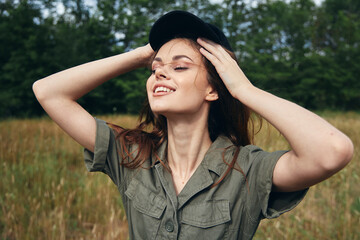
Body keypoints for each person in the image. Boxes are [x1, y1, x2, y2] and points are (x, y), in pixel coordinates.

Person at [33, 10, 353, 240]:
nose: (159, 73)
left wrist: (245, 91)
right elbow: (48, 92)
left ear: (213, 89)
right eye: (155, 68)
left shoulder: (247, 170)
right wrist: (143, 53)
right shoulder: (131, 155)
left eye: (180, 66)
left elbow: (332, 151)